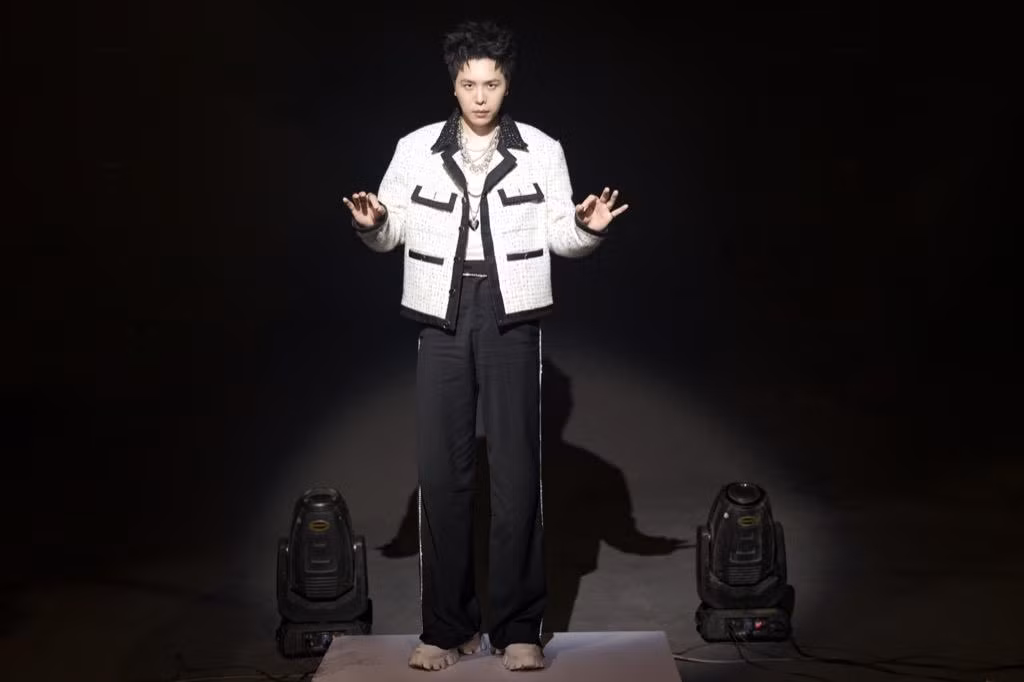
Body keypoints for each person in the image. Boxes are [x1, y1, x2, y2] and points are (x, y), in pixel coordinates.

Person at [342, 19, 629, 672]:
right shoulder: (414, 148)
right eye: (469, 84)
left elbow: (561, 234)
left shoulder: (542, 149)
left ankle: (519, 628)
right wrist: (373, 223)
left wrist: (589, 228)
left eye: (491, 84)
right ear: (453, 83)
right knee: (443, 477)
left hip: (511, 316)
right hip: (441, 317)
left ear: (507, 84)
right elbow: (391, 229)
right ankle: (447, 629)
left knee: (518, 474)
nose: (479, 96)